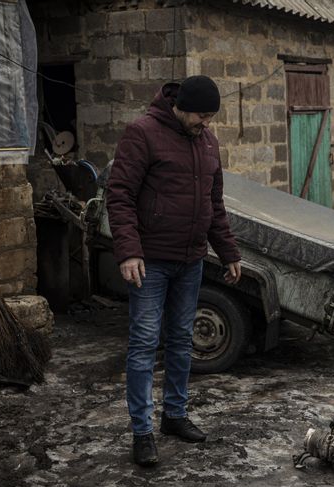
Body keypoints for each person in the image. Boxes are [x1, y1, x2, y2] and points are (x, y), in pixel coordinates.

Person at [106, 75, 241, 467]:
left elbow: (215, 207)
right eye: (201, 115)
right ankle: (141, 432)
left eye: (211, 117)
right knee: (145, 342)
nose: (206, 123)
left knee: (182, 340)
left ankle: (175, 416)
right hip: (151, 261)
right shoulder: (142, 133)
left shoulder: (208, 142)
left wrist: (229, 253)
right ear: (181, 107)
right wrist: (128, 252)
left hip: (191, 260)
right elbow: (120, 196)